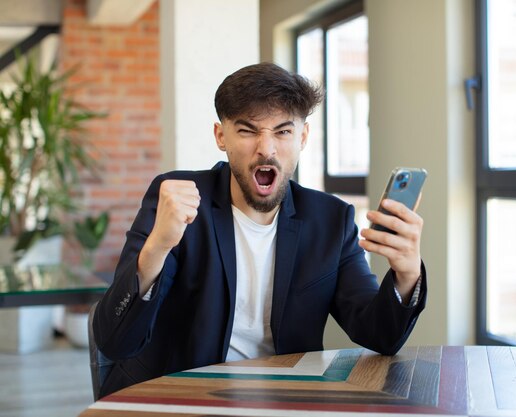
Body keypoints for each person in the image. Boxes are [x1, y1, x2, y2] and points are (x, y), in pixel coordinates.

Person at [93, 62, 427, 398]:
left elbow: (379, 335)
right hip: (178, 396)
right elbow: (115, 340)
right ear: (221, 136)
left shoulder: (331, 221)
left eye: (283, 132)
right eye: (248, 130)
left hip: (283, 400)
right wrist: (157, 248)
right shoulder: (177, 199)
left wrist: (406, 274)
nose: (266, 149)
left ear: (303, 137)